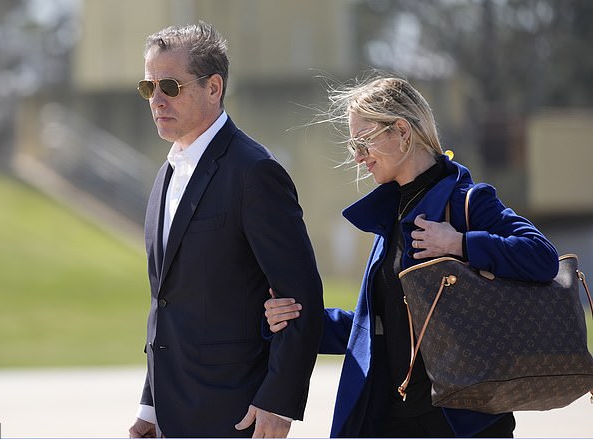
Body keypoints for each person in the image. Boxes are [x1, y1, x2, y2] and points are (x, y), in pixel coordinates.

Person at [264, 76, 559, 438]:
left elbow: (543, 258)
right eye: (352, 145)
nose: (357, 156)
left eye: (363, 140)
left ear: (401, 131)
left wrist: (461, 243)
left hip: (463, 423)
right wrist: (295, 319)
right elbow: (375, 329)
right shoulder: (391, 215)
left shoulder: (467, 201)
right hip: (392, 420)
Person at [128, 22, 324, 438]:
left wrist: (278, 401)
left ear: (213, 87)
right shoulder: (166, 173)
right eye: (149, 88)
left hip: (237, 415)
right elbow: (165, 305)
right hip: (171, 415)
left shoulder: (254, 172)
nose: (157, 100)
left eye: (170, 86)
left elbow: (300, 295)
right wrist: (150, 406)